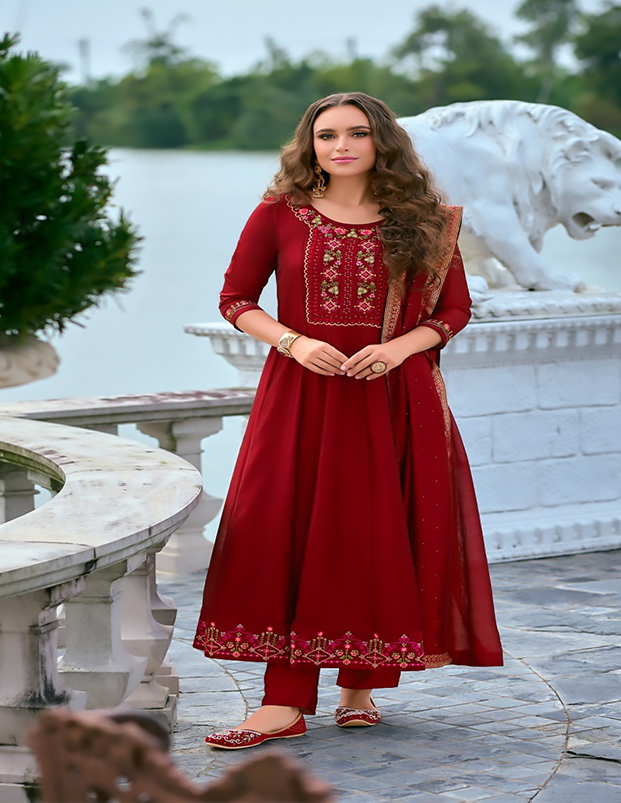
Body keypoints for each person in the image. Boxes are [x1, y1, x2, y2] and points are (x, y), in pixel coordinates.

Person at [194, 92, 502, 750]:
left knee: (373, 532)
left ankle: (359, 684)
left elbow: (452, 313)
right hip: (302, 397)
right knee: (293, 530)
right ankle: (283, 702)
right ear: (309, 146)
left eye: (356, 134)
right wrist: (294, 342)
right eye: (326, 134)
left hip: (395, 399)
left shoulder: (426, 220)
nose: (340, 145)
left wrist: (396, 349)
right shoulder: (279, 216)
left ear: (381, 142)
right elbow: (235, 299)